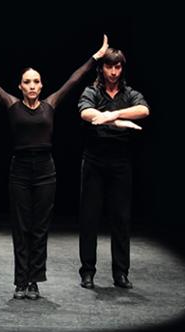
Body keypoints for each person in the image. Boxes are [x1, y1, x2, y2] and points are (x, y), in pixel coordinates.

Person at [0, 35, 138, 300]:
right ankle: (20, 281)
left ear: (41, 84)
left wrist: (96, 56)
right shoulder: (12, 104)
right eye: (27, 82)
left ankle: (34, 281)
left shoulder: (51, 104)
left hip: (47, 171)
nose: (32, 86)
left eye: (36, 81)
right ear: (20, 86)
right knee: (21, 226)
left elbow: (74, 79)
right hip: (20, 171)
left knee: (39, 228)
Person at [77, 47, 149, 290]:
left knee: (121, 218)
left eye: (117, 67)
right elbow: (87, 113)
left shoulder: (129, 93)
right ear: (102, 68)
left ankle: (121, 273)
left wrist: (111, 115)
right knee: (89, 217)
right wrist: (118, 121)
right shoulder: (92, 91)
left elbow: (144, 110)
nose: (113, 71)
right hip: (94, 160)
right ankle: (87, 271)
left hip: (120, 162)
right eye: (109, 66)